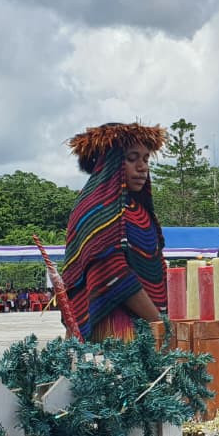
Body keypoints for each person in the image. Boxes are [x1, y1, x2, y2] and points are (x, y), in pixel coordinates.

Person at [62, 122, 168, 342]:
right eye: (132, 158)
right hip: (111, 330)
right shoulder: (94, 208)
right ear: (111, 163)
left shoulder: (138, 210)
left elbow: (156, 265)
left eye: (146, 159)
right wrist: (159, 322)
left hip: (147, 327)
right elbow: (110, 271)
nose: (142, 167)